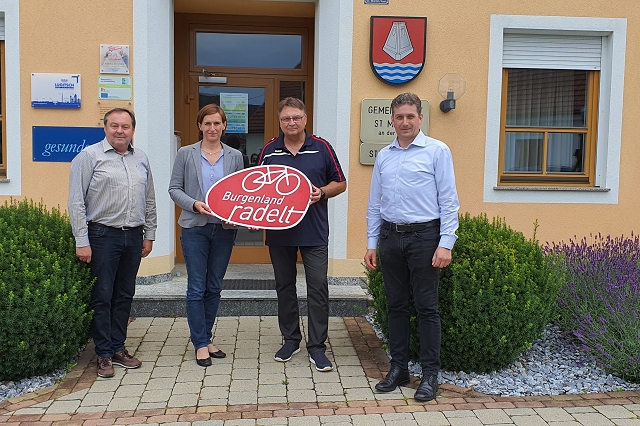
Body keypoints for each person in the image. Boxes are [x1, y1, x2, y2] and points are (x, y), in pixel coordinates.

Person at [364, 93, 460, 402]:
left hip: (424, 238)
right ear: (392, 120)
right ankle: (399, 369)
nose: (404, 122)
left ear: (420, 119)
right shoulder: (384, 155)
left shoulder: (437, 151)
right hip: (391, 238)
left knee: (427, 308)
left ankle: (431, 375)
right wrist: (372, 242)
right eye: (399, 116)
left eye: (410, 116)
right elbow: (375, 203)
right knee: (396, 306)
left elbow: (449, 202)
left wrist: (446, 244)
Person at [259, 97, 346, 372]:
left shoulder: (322, 148)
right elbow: (256, 191)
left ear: (305, 119)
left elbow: (340, 183)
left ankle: (317, 347)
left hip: (314, 232)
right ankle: (291, 340)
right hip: (279, 232)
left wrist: (321, 192)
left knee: (317, 287)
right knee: (284, 288)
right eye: (286, 118)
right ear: (280, 121)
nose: (291, 122)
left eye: (296, 117)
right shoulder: (270, 151)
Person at [68, 108, 157, 378]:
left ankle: (118, 348)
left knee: (124, 295)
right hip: (102, 236)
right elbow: (76, 202)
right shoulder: (89, 157)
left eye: (126, 126)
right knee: (103, 296)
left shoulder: (140, 157)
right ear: (105, 128)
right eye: (114, 125)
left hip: (133, 236)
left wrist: (149, 233)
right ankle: (103, 353)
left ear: (133, 129)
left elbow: (149, 198)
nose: (120, 130)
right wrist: (81, 240)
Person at [169, 104, 244, 367]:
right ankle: (200, 342)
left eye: (217, 123)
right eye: (207, 123)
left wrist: (238, 215)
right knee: (196, 287)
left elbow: (240, 193)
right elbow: (174, 188)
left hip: (223, 229)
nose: (212, 128)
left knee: (214, 286)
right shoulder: (185, 154)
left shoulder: (235, 156)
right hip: (195, 227)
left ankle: (207, 338)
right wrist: (194, 204)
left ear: (224, 126)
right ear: (200, 126)